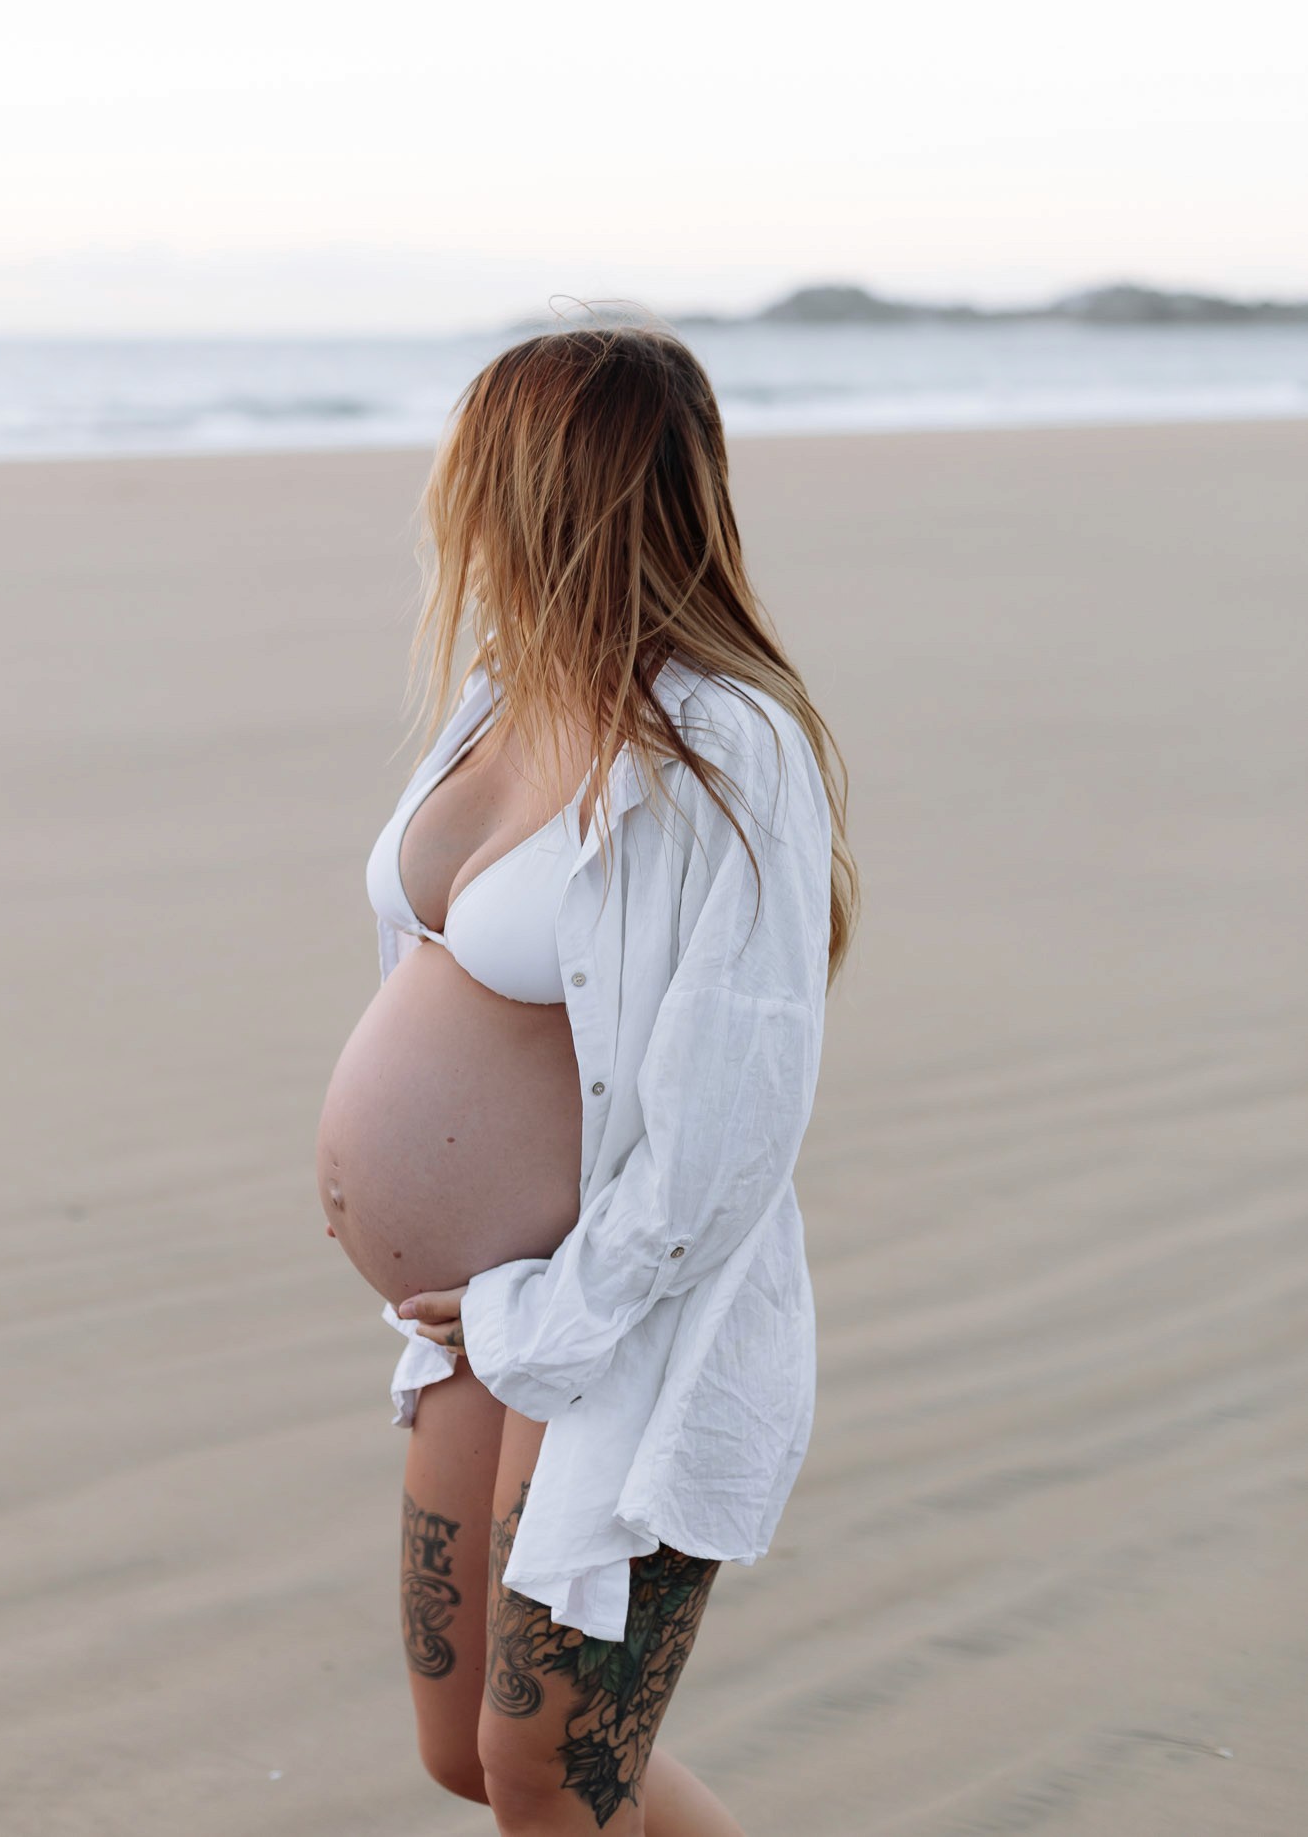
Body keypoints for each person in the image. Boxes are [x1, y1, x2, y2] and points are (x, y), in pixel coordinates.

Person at [316, 316, 857, 1835]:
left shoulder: (725, 748)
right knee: (466, 1758)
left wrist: (550, 1307)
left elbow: (733, 1118)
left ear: (545, 484)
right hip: (477, 1327)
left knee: (553, 1776)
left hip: (611, 1319)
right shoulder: (504, 696)